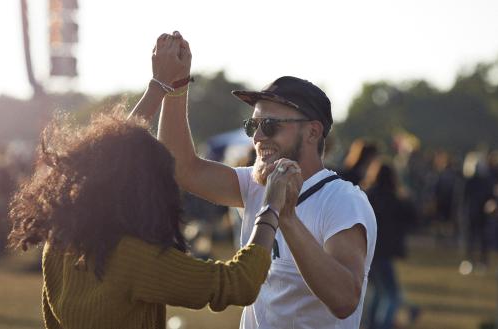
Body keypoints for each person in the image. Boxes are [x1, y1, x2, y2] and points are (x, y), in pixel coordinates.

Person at [7, 33, 290, 329]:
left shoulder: (61, 240)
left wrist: (163, 85)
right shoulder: (131, 258)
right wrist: (270, 207)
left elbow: (112, 153)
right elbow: (237, 283)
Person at [133, 31, 377, 328]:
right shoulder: (256, 184)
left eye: (271, 125)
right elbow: (181, 168)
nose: (258, 137)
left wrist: (286, 217)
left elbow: (344, 300)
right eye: (253, 125)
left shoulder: (342, 199)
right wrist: (177, 86)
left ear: (313, 132)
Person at [360, 160, 418, 329]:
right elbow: (414, 219)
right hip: (384, 252)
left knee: (378, 292)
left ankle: (371, 324)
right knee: (391, 295)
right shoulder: (395, 198)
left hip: (367, 250)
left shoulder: (365, 195)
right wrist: (407, 198)